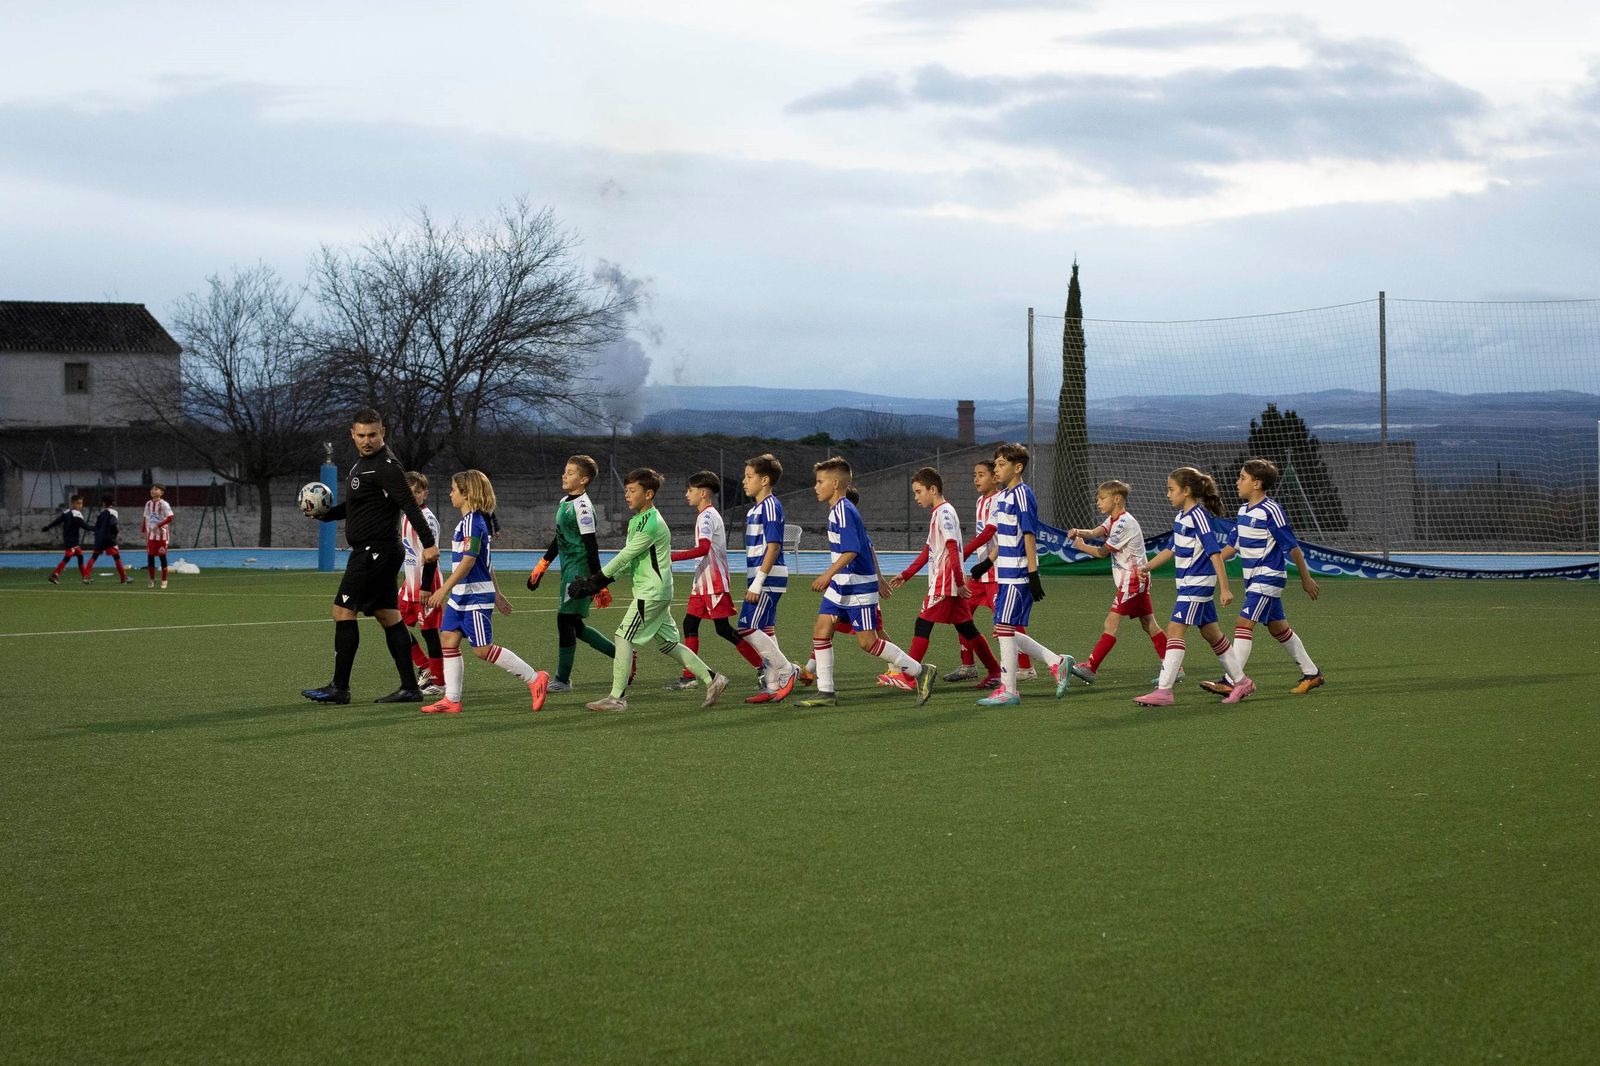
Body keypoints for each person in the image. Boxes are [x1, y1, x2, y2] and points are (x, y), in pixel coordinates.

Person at [301, 409, 440, 706]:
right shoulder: (364, 464)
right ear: (352, 434)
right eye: (361, 435)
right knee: (388, 615)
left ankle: (340, 687)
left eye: (372, 435)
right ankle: (410, 687)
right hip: (379, 552)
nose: (366, 440)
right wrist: (324, 514)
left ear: (383, 432)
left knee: (342, 610)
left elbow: (409, 505)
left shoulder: (386, 466)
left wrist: (428, 544)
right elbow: (356, 507)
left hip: (374, 552)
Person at [565, 468, 730, 712]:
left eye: (633, 491)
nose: (627, 495)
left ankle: (617, 698)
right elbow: (631, 561)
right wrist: (601, 583)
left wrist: (596, 580)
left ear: (649, 494)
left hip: (651, 592)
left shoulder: (651, 523)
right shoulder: (638, 520)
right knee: (668, 644)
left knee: (623, 636)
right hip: (656, 591)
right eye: (626, 490)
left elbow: (626, 555)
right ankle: (713, 679)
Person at [797, 457, 931, 707]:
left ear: (835, 483)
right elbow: (864, 547)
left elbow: (852, 551)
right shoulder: (838, 510)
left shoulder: (845, 510)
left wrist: (827, 574)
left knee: (868, 642)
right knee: (821, 630)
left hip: (857, 587)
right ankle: (825, 691)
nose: (816, 487)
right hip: (842, 585)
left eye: (820, 482)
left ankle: (920, 671)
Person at [421, 470, 550, 715]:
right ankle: (451, 699)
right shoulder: (469, 521)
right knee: (448, 639)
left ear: (467, 493)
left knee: (482, 649)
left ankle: (534, 678)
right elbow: (485, 562)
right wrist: (498, 594)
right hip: (462, 595)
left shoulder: (473, 522)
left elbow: (469, 561)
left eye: (453, 489)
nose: (450, 494)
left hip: (474, 596)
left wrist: (442, 589)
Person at [1201, 459, 1326, 702]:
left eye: (1242, 478)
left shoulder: (1271, 510)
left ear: (1256, 484)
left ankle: (1231, 681)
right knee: (1278, 628)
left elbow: (1292, 547)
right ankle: (1312, 674)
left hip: (1267, 577)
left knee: (1243, 623)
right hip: (1253, 580)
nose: (1237, 482)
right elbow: (1231, 546)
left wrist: (1306, 578)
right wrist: (1208, 562)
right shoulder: (1243, 511)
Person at [962, 443, 1074, 707]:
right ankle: (1057, 662)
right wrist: (987, 563)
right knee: (1004, 630)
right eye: (996, 464)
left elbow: (1028, 535)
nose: (997, 469)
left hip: (1019, 575)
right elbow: (1005, 537)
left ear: (1018, 467)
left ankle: (1009, 690)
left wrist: (1033, 574)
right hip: (1005, 573)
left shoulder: (1023, 495)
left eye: (1002, 464)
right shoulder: (1003, 498)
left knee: (1003, 629)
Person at [1132, 467, 1243, 708]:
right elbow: (1171, 549)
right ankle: (1242, 682)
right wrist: (1147, 567)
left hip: (1197, 584)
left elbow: (1214, 553)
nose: (1168, 494)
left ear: (1187, 491)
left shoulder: (1198, 516)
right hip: (1188, 585)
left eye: (1171, 489)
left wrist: (1225, 588)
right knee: (1211, 634)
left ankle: (1164, 690)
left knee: (1174, 630)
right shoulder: (1182, 517)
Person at [884, 467, 1000, 694]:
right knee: (968, 629)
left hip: (945, 582)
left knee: (923, 623)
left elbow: (951, 548)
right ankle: (995, 671)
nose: (916, 497)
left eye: (919, 492)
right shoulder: (938, 512)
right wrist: (907, 574)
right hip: (948, 582)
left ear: (933, 489)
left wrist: (958, 581)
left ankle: (909, 676)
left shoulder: (944, 512)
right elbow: (928, 549)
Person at [665, 471, 767, 690]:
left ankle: (762, 666)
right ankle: (689, 675)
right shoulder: (706, 515)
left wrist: (670, 556)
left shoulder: (707, 517)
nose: (686, 495)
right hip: (702, 583)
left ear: (703, 493)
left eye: (690, 490)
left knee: (723, 629)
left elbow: (703, 548)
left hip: (714, 583)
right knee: (689, 624)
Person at [526, 455, 619, 693]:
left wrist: (598, 582)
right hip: (568, 569)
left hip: (579, 572)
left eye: (570, 472)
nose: (564, 475)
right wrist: (541, 566)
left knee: (565, 620)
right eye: (565, 471)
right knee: (575, 625)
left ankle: (562, 680)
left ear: (584, 479)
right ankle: (623, 657)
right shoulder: (565, 501)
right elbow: (560, 538)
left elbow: (591, 545)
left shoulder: (583, 507)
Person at [1065, 480, 1167, 684]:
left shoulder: (1123, 523)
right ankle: (1173, 666)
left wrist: (1080, 546)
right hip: (1136, 579)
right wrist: (1079, 531)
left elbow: (1102, 552)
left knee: (1111, 623)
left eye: (1102, 498)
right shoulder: (1114, 520)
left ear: (1117, 499)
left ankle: (1091, 668)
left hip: (1132, 579)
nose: (1098, 502)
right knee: (1149, 624)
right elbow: (1095, 532)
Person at [739, 453, 801, 704]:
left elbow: (774, 547)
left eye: (749, 476)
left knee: (746, 627)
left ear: (765, 480)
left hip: (768, 578)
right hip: (761, 576)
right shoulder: (756, 508)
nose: (744, 481)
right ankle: (773, 685)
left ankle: (787, 670)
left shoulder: (771, 506)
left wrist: (758, 582)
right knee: (766, 629)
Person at [399, 472, 445, 695]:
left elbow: (431, 556)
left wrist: (426, 586)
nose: (413, 496)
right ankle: (424, 665)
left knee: (429, 632)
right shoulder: (405, 515)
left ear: (424, 493)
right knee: (392, 622)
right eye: (409, 492)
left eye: (417, 492)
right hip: (409, 584)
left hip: (427, 584)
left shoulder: (427, 520)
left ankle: (438, 681)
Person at [43, 495, 90, 584]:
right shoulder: (76, 513)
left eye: (81, 503)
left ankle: (85, 576)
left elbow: (57, 520)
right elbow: (85, 526)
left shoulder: (67, 512)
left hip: (71, 540)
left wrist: (48, 527)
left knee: (80, 556)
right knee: (68, 557)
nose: (80, 506)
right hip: (71, 541)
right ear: (73, 504)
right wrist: (97, 529)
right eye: (78, 503)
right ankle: (54, 575)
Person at [85, 495, 130, 584]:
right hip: (109, 539)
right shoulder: (113, 512)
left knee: (94, 557)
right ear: (112, 502)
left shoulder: (100, 514)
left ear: (103, 503)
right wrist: (116, 533)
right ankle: (123, 578)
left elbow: (96, 527)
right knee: (116, 558)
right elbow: (113, 524)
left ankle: (86, 576)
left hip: (99, 538)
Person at [140, 484, 174, 589]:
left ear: (161, 492)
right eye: (152, 489)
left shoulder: (164, 504)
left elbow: (170, 518)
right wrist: (143, 530)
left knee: (162, 557)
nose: (153, 491)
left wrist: (158, 525)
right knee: (150, 557)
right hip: (151, 535)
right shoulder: (148, 504)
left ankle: (164, 580)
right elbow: (146, 518)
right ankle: (151, 579)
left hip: (162, 535)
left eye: (156, 489)